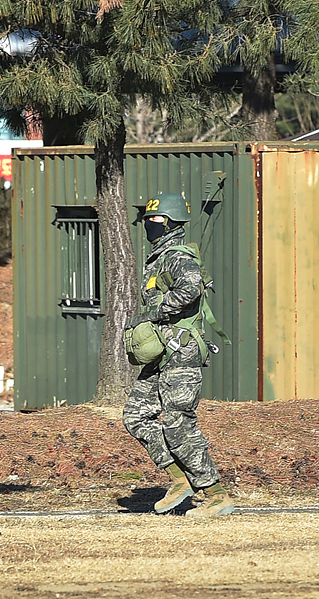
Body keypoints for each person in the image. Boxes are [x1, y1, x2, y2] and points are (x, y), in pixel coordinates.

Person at [122, 193, 234, 517]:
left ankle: (215, 493)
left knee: (177, 423)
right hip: (160, 356)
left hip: (180, 354)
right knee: (135, 415)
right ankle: (178, 478)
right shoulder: (159, 258)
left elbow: (191, 287)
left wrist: (155, 311)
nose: (147, 225)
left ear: (168, 223)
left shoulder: (176, 256)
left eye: (153, 220)